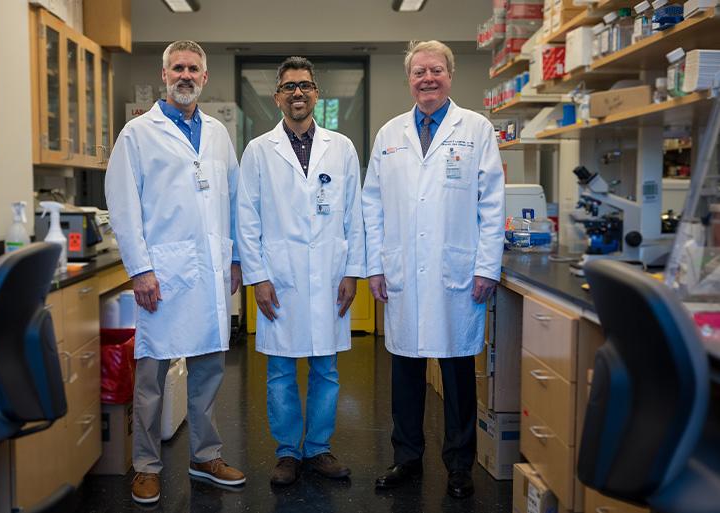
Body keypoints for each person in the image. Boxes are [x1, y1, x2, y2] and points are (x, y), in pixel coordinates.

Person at [104, 40, 245, 504]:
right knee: (151, 376)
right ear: (164, 75)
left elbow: (234, 201)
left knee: (208, 369)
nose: (185, 75)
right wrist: (140, 270)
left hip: (209, 272)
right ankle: (146, 464)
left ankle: (205, 456)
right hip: (160, 276)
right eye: (177, 68)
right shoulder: (137, 134)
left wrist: (238, 258)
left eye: (194, 69)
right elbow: (123, 207)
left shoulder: (220, 135)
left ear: (204, 78)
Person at [362, 40, 505, 498]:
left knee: (458, 370)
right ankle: (407, 459)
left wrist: (487, 267)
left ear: (450, 75)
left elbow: (492, 202)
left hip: (457, 271)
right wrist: (375, 266)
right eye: (419, 71)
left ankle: (460, 465)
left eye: (436, 70)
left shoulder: (476, 129)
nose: (427, 78)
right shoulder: (389, 135)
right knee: (404, 371)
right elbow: (372, 206)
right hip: (403, 270)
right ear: (409, 79)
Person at [237, 56, 366, 486]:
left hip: (330, 274)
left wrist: (351, 272)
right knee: (280, 372)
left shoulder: (342, 148)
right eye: (289, 86)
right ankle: (288, 452)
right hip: (280, 276)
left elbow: (354, 214)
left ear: (316, 94)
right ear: (277, 97)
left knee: (327, 370)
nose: (297, 92)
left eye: (305, 85)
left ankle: (319, 449)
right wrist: (257, 276)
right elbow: (247, 218)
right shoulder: (258, 150)